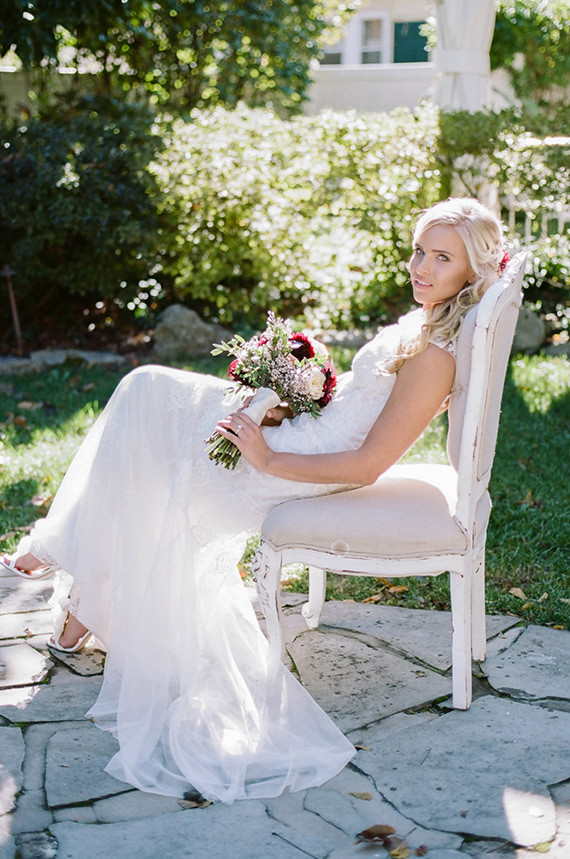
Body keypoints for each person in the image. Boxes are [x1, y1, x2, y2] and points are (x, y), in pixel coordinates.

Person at [1, 197, 506, 804]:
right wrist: (294, 392)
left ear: (472, 272)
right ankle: (79, 584)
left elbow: (370, 462)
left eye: (440, 257)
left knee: (146, 398)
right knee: (148, 407)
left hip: (303, 468)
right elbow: (356, 403)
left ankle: (69, 563)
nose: (420, 266)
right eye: (420, 250)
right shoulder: (427, 324)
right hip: (305, 437)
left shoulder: (435, 357)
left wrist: (266, 457)